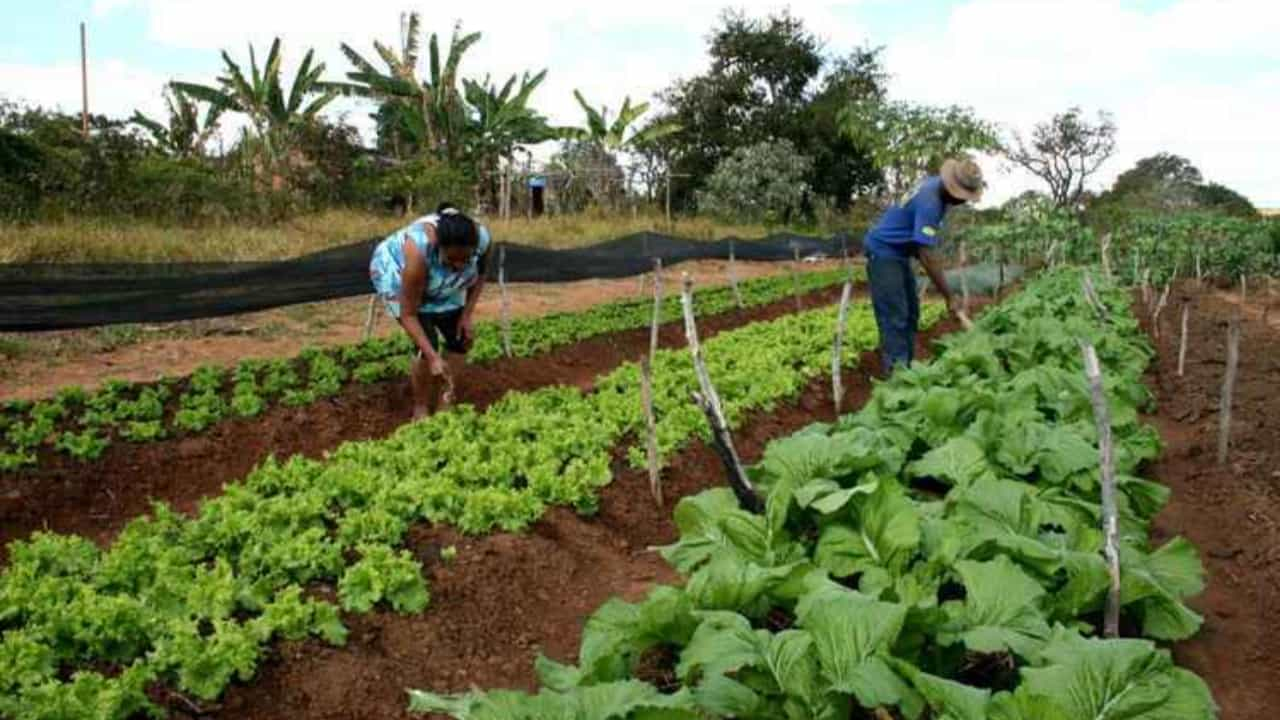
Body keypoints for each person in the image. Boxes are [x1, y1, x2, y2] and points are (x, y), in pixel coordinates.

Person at [369, 203, 492, 418]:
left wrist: (466, 316)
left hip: (436, 275)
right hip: (397, 272)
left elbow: (479, 277)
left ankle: (447, 399)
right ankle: (421, 406)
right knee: (426, 345)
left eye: (466, 259)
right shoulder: (418, 251)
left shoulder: (482, 241)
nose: (459, 265)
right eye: (452, 259)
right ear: (439, 248)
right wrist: (433, 356)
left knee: (460, 339)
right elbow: (408, 314)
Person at [863, 157, 984, 372]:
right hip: (884, 252)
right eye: (963, 197)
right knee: (895, 318)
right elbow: (926, 254)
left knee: (910, 314)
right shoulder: (931, 202)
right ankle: (897, 379)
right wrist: (949, 297)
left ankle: (906, 370)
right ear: (952, 188)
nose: (964, 201)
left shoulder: (933, 186)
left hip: (899, 253)